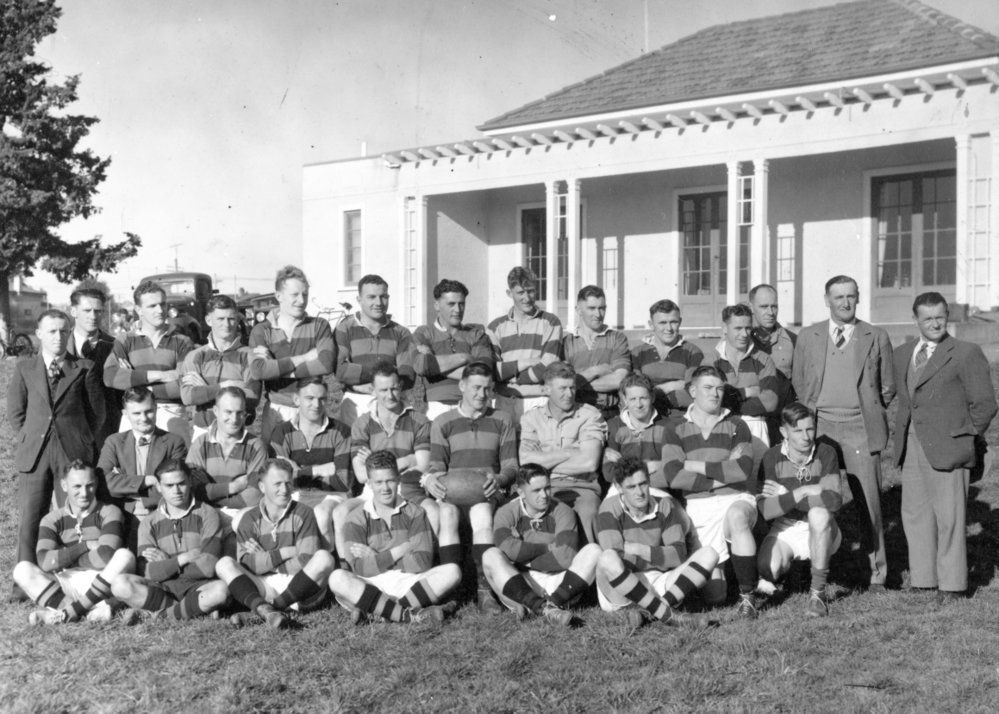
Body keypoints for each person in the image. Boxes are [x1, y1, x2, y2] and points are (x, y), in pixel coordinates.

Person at [891, 292, 997, 604]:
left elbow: (986, 404)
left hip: (949, 446)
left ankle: (952, 584)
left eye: (940, 316)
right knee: (915, 513)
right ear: (915, 320)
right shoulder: (903, 354)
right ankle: (924, 580)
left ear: (947, 315)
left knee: (950, 517)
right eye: (928, 318)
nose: (935, 323)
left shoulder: (965, 352)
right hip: (912, 444)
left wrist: (965, 435)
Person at [792, 275, 895, 591]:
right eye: (839, 297)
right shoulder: (809, 336)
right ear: (827, 300)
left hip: (859, 428)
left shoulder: (875, 336)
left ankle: (877, 573)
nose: (845, 302)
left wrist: (865, 410)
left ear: (858, 298)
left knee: (870, 502)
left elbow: (887, 387)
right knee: (813, 498)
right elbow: (799, 382)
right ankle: (808, 568)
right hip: (820, 426)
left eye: (851, 296)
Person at [661, 365, 761, 618]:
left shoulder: (737, 425)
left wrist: (695, 465)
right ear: (693, 391)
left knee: (738, 517)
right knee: (715, 596)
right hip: (699, 505)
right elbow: (674, 475)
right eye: (708, 388)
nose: (715, 394)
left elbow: (743, 469)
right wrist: (718, 477)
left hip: (736, 498)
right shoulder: (674, 428)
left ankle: (748, 597)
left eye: (719, 389)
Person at [8, 310, 106, 565]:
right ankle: (26, 577)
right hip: (35, 454)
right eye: (51, 331)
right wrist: (32, 437)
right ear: (39, 334)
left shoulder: (85, 368)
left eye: (63, 331)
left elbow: (97, 414)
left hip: (72, 453)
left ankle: (72, 571)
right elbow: (16, 413)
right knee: (31, 516)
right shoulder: (25, 368)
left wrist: (80, 439)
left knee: (74, 515)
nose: (58, 337)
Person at [423, 361, 518, 613]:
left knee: (482, 514)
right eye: (476, 387)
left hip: (486, 492)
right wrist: (431, 478)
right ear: (462, 386)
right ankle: (449, 591)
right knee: (447, 513)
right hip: (453, 492)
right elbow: (436, 466)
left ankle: (484, 591)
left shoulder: (503, 419)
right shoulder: (443, 421)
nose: (481, 394)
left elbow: (511, 467)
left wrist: (497, 480)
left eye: (487, 388)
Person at [328, 451, 460, 624]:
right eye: (378, 482)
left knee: (452, 572)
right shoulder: (356, 518)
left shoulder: (415, 512)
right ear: (369, 484)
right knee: (337, 578)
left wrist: (375, 557)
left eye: (390, 480)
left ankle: (380, 612)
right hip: (372, 584)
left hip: (409, 582)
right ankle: (410, 614)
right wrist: (401, 550)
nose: (385, 488)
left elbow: (422, 562)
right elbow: (359, 568)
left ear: (398, 479)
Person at [595, 457, 718, 628]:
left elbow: (677, 556)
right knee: (607, 558)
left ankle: (654, 611)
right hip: (623, 589)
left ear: (649, 481)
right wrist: (660, 556)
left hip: (659, 582)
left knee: (709, 554)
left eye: (643, 484)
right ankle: (668, 614)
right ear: (619, 488)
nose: (639, 492)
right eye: (631, 487)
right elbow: (616, 558)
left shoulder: (665, 505)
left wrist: (639, 549)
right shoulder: (609, 508)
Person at [215, 459, 337, 628]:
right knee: (224, 564)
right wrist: (286, 552)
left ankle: (268, 609)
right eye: (277, 484)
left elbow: (306, 561)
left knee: (324, 558)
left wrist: (264, 558)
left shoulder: (304, 513)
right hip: (265, 586)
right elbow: (248, 564)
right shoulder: (249, 519)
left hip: (300, 589)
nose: (284, 490)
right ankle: (265, 608)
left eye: (288, 483)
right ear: (262, 487)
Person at [12, 461, 135, 625]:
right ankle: (88, 610)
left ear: (96, 484)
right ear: (64, 485)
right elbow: (45, 562)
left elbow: (105, 556)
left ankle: (65, 614)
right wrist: (85, 546)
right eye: (77, 486)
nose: (84, 493)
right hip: (67, 581)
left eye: (89, 485)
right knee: (22, 570)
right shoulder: (51, 519)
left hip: (101, 578)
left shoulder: (110, 511)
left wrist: (64, 557)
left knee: (124, 556)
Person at [332, 364, 433, 558]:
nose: (390, 395)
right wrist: (407, 459)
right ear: (373, 390)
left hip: (408, 487)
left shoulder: (419, 420)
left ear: (401, 386)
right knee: (340, 512)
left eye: (394, 388)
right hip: (372, 490)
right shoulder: (361, 423)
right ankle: (349, 568)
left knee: (433, 511)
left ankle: (424, 564)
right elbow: (362, 475)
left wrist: (375, 460)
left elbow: (422, 465)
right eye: (383, 390)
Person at [481, 463, 601, 625]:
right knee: (490, 556)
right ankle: (547, 609)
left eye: (547, 488)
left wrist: (523, 548)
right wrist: (549, 545)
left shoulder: (563, 510)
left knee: (594, 551)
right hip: (522, 584)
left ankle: (545, 605)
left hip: (560, 583)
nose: (544, 495)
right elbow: (507, 549)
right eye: (536, 490)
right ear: (521, 492)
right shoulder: (506, 512)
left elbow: (565, 558)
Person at [110, 460, 229, 622]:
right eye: (169, 485)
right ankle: (192, 611)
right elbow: (147, 571)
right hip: (162, 588)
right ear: (159, 487)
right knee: (120, 584)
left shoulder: (208, 514)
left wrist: (166, 564)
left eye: (181, 483)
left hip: (199, 586)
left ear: (190, 481)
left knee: (221, 590)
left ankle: (161, 615)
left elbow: (208, 567)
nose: (177, 490)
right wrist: (181, 559)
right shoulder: (149, 522)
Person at [756, 403, 844, 617]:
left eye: (810, 429)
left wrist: (786, 496)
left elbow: (833, 501)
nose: (806, 436)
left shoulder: (826, 452)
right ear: (784, 432)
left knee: (818, 513)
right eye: (798, 431)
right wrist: (801, 491)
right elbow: (767, 510)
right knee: (769, 568)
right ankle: (795, 571)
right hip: (786, 525)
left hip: (823, 525)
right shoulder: (771, 457)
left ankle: (818, 594)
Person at [519, 362, 607, 544]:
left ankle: (589, 564)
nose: (569, 394)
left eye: (572, 388)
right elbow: (526, 462)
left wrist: (544, 460)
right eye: (562, 388)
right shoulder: (531, 418)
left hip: (582, 487)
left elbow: (589, 463)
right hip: (543, 486)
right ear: (546, 389)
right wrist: (569, 452)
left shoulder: (590, 415)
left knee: (588, 511)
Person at [248, 265, 335, 444]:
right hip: (276, 411)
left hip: (311, 409)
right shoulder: (261, 330)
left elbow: (326, 364)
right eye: (295, 295)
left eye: (305, 294)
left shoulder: (319, 325)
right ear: (278, 296)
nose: (301, 300)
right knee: (275, 466)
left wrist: (277, 367)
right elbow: (259, 371)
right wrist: (303, 358)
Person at [103, 280, 195, 445]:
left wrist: (135, 385)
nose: (160, 310)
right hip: (134, 414)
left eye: (163, 304)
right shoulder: (125, 340)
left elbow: (183, 385)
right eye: (152, 306)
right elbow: (110, 376)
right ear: (139, 310)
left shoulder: (182, 341)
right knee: (129, 469)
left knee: (177, 468)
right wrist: (160, 375)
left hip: (171, 413)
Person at [269, 377, 354, 551]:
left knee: (321, 515)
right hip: (294, 492)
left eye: (322, 399)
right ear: (296, 399)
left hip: (333, 494)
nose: (316, 405)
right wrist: (320, 470)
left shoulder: (341, 432)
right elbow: (279, 480)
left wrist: (298, 472)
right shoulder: (282, 432)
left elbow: (343, 481)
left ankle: (328, 563)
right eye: (310, 398)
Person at [98, 387, 188, 546]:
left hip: (160, 516)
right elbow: (103, 482)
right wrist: (147, 480)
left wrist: (126, 488)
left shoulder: (174, 442)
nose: (144, 418)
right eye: (136, 413)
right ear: (126, 414)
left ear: (156, 409)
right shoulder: (114, 442)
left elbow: (176, 486)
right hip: (122, 517)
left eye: (148, 411)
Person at [704, 303, 779, 473]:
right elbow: (707, 400)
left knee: (757, 484)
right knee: (726, 480)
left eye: (748, 328)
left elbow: (770, 401)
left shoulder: (763, 359)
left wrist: (729, 398)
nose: (744, 334)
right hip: (721, 426)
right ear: (724, 328)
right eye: (738, 328)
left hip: (756, 427)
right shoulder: (711, 360)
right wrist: (747, 392)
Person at [334, 274, 415, 424]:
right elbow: (340, 370)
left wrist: (368, 384)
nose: (379, 302)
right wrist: (388, 372)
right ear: (359, 300)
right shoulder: (344, 329)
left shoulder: (401, 332)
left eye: (383, 297)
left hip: (392, 400)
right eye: (371, 297)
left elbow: (406, 375)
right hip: (357, 402)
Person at [180, 294, 261, 442]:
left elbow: (252, 397)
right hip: (203, 431)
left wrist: (206, 390)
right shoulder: (195, 356)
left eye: (231, 319)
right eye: (220, 319)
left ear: (237, 319)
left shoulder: (249, 356)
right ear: (208, 320)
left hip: (239, 431)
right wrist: (227, 386)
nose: (227, 324)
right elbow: (188, 397)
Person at [487, 267, 563, 422]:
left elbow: (547, 367)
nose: (527, 298)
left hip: (538, 400)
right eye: (521, 292)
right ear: (510, 294)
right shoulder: (495, 327)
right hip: (504, 400)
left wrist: (515, 378)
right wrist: (526, 362)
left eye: (531, 291)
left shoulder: (550, 322)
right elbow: (493, 371)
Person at [412, 278, 494, 422]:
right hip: (433, 408)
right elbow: (422, 365)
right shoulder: (423, 333)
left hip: (470, 406)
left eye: (461, 304)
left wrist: (435, 367)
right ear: (437, 305)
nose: (458, 310)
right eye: (451, 304)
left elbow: (482, 371)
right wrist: (466, 358)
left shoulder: (476, 334)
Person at [186, 387, 266, 525]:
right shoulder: (200, 443)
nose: (234, 419)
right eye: (228, 412)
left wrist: (211, 495)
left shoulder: (256, 445)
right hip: (205, 513)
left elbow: (254, 496)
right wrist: (232, 487)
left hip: (241, 514)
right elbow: (192, 488)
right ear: (216, 411)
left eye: (240, 413)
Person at [561, 285, 631, 422]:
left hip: (610, 415)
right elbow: (562, 384)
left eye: (602, 308)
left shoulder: (617, 338)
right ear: (578, 310)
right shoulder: (566, 343)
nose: (598, 314)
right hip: (575, 416)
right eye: (592, 308)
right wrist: (596, 370)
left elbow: (619, 379)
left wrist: (578, 381)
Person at [602, 372, 674, 498]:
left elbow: (672, 467)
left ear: (652, 397)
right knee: (608, 511)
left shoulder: (667, 427)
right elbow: (609, 472)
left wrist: (624, 464)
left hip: (656, 487)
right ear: (624, 400)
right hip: (622, 489)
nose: (639, 404)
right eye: (633, 399)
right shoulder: (613, 426)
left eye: (643, 398)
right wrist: (649, 466)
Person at [631, 300, 704, 419]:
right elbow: (636, 394)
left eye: (673, 322)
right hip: (648, 421)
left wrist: (652, 394)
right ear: (651, 324)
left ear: (680, 322)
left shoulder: (693, 352)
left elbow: (693, 395)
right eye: (662, 323)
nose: (669, 328)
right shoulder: (637, 353)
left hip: (682, 420)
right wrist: (670, 386)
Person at [68, 286, 121, 445]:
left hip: (106, 432)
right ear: (74, 311)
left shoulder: (115, 346)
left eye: (98, 311)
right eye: (87, 310)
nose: (93, 316)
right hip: (68, 431)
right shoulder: (57, 344)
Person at [748, 284, 797, 444]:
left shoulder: (792, 341)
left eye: (774, 306)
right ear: (751, 307)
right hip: (750, 421)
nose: (770, 312)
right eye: (763, 307)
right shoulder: (742, 340)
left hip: (781, 422)